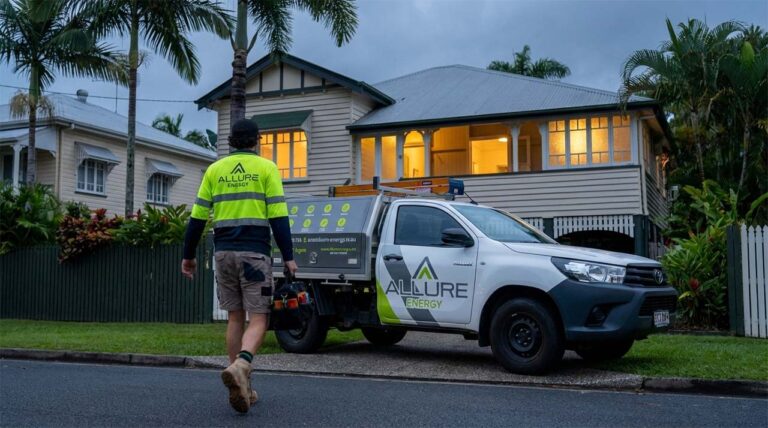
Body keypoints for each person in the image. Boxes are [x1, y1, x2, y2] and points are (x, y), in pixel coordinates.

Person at [181, 118, 297, 414]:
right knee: (259, 318)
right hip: (254, 254)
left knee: (234, 318)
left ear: (231, 141)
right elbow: (278, 217)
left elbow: (197, 218)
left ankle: (243, 386)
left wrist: (188, 256)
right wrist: (288, 256)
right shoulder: (266, 168)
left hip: (223, 254)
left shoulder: (215, 170)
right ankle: (242, 364)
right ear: (257, 140)